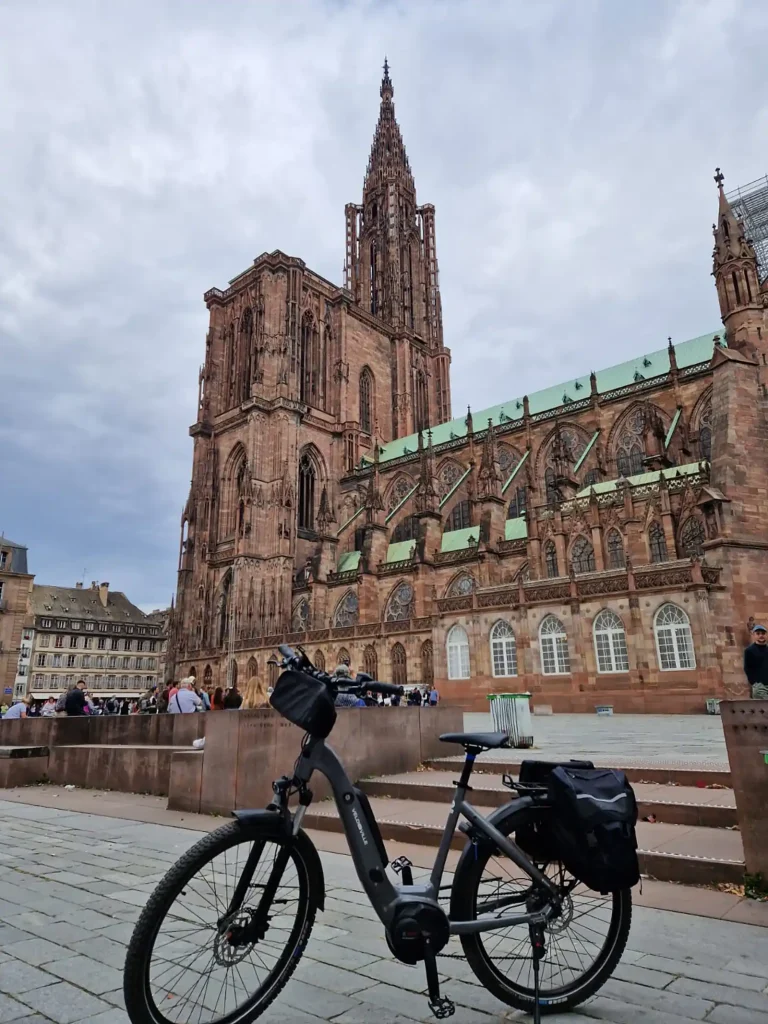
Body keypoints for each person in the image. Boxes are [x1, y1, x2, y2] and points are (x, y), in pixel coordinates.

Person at [744, 624, 768, 699]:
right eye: (758, 633)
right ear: (754, 635)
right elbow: (747, 668)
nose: (761, 635)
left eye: (763, 633)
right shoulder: (749, 651)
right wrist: (755, 682)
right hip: (760, 686)